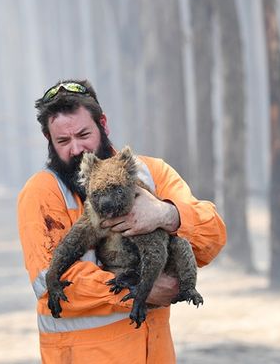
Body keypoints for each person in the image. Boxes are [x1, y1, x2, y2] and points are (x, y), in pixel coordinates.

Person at [17, 79, 226, 363]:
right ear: (49, 141)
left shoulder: (152, 172)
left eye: (83, 134)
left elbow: (212, 236)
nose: (77, 149)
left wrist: (167, 214)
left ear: (103, 124)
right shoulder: (42, 192)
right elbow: (48, 280)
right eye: (63, 141)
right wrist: (139, 289)